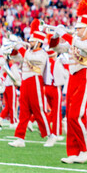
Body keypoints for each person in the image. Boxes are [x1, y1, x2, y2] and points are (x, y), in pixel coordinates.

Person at [50, 0, 87, 164]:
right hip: (72, 78)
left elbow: (81, 45)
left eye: (79, 28)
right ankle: (73, 152)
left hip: (85, 77)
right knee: (70, 117)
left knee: (74, 116)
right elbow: (56, 48)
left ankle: (86, 149)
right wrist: (55, 36)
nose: (76, 31)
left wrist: (65, 34)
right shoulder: (75, 41)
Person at [8, 19, 56, 148]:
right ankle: (19, 138)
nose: (30, 42)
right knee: (23, 110)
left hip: (35, 82)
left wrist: (21, 48)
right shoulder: (28, 51)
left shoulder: (42, 54)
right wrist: (12, 47)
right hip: (25, 82)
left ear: (39, 42)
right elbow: (14, 57)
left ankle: (50, 135)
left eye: (32, 41)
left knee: (38, 109)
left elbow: (33, 61)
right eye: (30, 40)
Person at [43, 36, 69, 141]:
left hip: (46, 88)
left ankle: (46, 126)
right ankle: (56, 133)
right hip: (55, 88)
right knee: (57, 112)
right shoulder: (56, 62)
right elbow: (65, 75)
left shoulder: (46, 62)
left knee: (53, 111)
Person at [0, 53, 21, 128]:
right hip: (10, 86)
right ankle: (13, 122)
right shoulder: (11, 66)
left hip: (5, 86)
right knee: (12, 105)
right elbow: (16, 77)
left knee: (8, 106)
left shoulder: (4, 66)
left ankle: (1, 118)